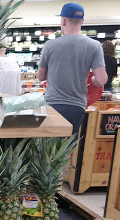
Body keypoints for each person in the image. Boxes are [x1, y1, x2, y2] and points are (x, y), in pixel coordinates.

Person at [38, 3, 107, 135]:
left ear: (63, 21)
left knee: (49, 150)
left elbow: (41, 77)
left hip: (52, 104)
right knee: (68, 149)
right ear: (82, 21)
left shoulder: (50, 45)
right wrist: (93, 79)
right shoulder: (94, 45)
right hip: (77, 106)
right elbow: (101, 79)